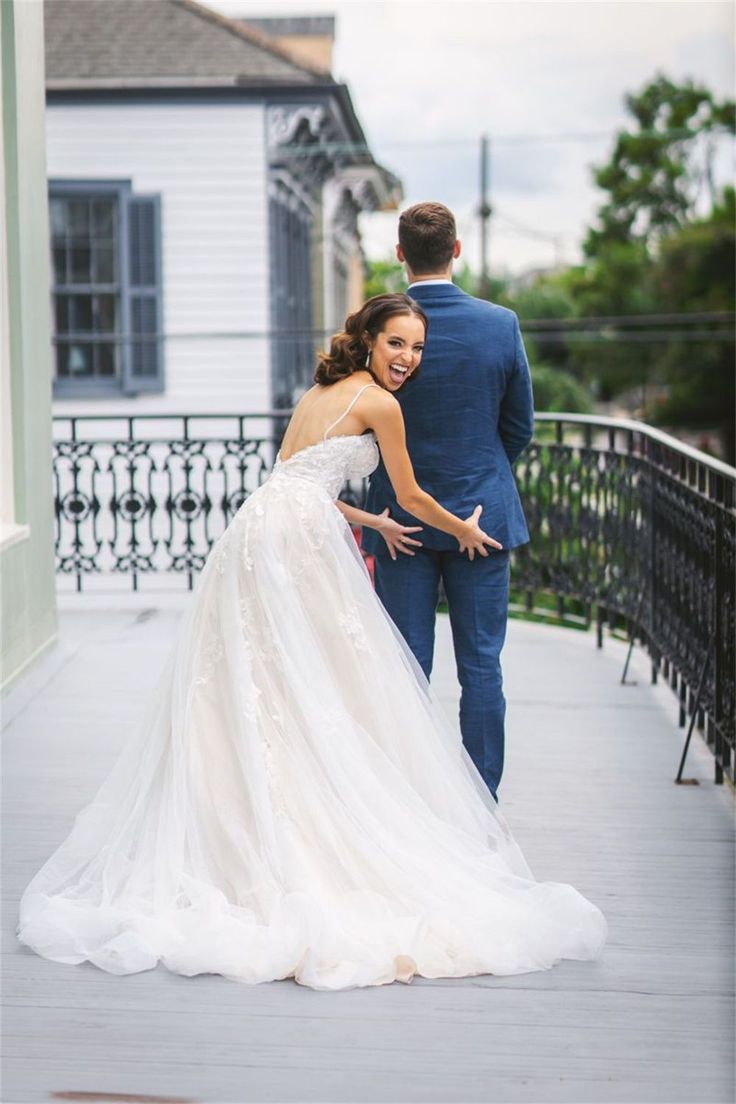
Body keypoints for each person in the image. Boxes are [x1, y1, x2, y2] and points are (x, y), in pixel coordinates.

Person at [16, 294, 606, 991]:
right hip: (298, 540)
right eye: (397, 344)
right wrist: (464, 531)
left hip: (260, 529)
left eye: (417, 349)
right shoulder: (382, 407)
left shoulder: (321, 389)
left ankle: (253, 815)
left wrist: (372, 524)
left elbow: (298, 481)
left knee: (263, 678)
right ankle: (303, 825)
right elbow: (413, 496)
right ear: (370, 338)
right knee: (320, 676)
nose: (408, 360)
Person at [364, 202, 534, 802]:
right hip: (482, 519)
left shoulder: (381, 327)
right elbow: (519, 427)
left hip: (397, 523)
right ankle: (482, 804)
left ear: (400, 254)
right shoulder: (500, 324)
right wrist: (480, 477)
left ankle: (407, 802)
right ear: (456, 251)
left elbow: (359, 423)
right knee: (482, 666)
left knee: (406, 671)